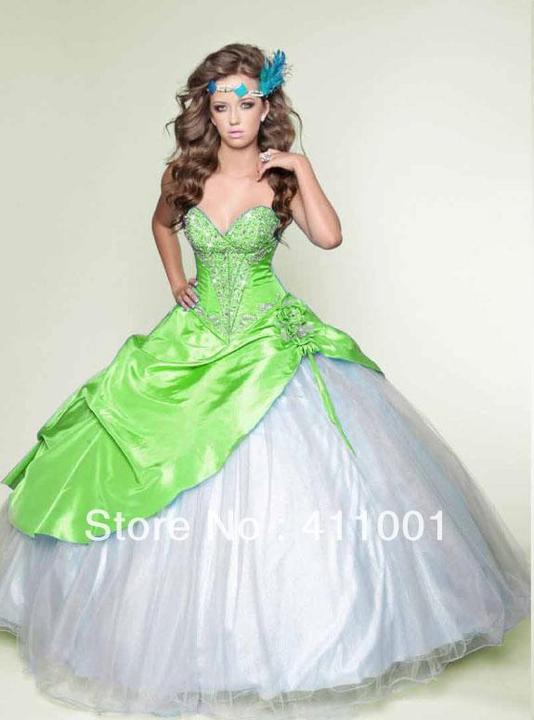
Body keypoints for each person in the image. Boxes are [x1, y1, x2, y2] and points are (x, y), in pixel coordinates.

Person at [0, 42, 530, 719]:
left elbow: (329, 237)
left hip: (269, 337)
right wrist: (177, 281)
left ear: (265, 108)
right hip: (194, 337)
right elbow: (162, 225)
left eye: (246, 104)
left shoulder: (280, 177)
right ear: (207, 113)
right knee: (154, 463)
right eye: (222, 106)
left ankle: (304, 636)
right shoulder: (183, 174)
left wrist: (302, 167)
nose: (234, 118)